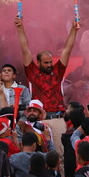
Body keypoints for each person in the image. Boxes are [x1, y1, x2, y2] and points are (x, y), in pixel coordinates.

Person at [15, 15, 79, 155]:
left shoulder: (58, 71)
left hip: (57, 118)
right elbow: (25, 49)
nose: (50, 65)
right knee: (42, 154)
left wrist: (74, 30)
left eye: (51, 62)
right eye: (46, 63)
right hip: (40, 120)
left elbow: (68, 48)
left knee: (60, 154)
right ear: (38, 63)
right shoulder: (32, 72)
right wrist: (20, 28)